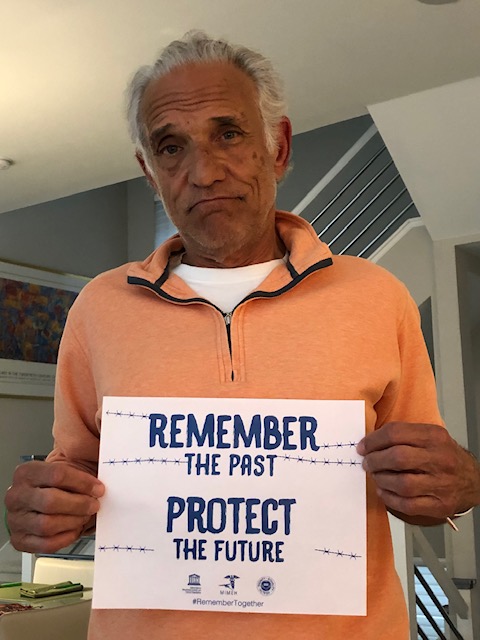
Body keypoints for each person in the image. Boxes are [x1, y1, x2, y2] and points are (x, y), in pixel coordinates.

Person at [4, 31, 480, 640]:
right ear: (149, 172)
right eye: (171, 147)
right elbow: (78, 480)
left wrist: (459, 485)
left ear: (277, 147)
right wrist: (43, 512)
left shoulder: (377, 296)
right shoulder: (99, 308)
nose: (203, 172)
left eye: (228, 134)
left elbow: (428, 481)